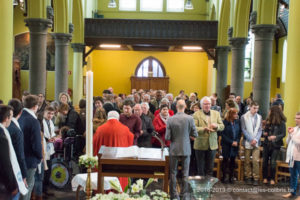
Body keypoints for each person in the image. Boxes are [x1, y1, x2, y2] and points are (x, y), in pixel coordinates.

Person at [93, 111, 134, 190]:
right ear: (118, 118)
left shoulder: (100, 129)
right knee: (119, 185)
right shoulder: (125, 129)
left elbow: (94, 143)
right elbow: (130, 139)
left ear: (107, 118)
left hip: (104, 164)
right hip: (119, 164)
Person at [165, 99, 198, 200]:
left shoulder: (170, 119)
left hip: (174, 148)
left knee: (173, 173)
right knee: (185, 173)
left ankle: (174, 195)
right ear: (185, 107)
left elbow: (167, 137)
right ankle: (184, 195)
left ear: (176, 107)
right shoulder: (190, 118)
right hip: (186, 148)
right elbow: (195, 134)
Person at [19, 95, 43, 200]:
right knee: (27, 188)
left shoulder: (19, 117)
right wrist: (39, 156)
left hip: (19, 157)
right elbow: (36, 144)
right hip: (30, 159)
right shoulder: (33, 121)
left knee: (22, 187)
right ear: (35, 106)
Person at [193, 96, 224, 177]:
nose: (207, 106)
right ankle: (201, 187)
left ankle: (208, 186)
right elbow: (194, 128)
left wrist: (216, 126)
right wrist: (204, 129)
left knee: (210, 168)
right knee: (201, 168)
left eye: (209, 104)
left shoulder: (216, 113)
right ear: (201, 105)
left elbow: (222, 126)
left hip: (212, 144)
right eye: (205, 104)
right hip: (200, 144)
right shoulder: (196, 114)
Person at [0, 105, 26, 200]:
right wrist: (12, 186)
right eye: (11, 117)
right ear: (7, 118)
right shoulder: (2, 136)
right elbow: (5, 163)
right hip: (4, 184)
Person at [262, 105, 286, 185]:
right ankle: (265, 177)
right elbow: (265, 132)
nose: (269, 112)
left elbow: (283, 134)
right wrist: (265, 134)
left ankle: (272, 178)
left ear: (274, 112)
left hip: (276, 145)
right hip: (266, 144)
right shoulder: (268, 121)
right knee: (265, 161)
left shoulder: (282, 123)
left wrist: (275, 137)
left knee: (272, 162)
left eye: (270, 111)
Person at [240, 101, 262, 186]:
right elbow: (243, 129)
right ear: (250, 107)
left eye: (257, 108)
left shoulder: (259, 117)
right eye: (254, 108)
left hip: (256, 142)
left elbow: (260, 130)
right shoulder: (244, 117)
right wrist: (250, 139)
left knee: (255, 160)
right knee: (247, 160)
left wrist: (256, 139)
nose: (256, 110)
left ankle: (255, 177)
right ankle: (248, 176)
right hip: (247, 142)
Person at [7, 99, 27, 187]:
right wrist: (24, 174)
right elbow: (20, 154)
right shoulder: (16, 130)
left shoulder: (5, 125)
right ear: (20, 112)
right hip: (13, 168)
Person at [221, 108, 241, 184]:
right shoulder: (225, 122)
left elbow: (239, 133)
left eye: (237, 113)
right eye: (235, 113)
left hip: (235, 145)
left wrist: (237, 141)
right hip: (226, 144)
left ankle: (231, 177)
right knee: (225, 160)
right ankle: (224, 177)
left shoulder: (237, 122)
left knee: (233, 161)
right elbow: (223, 134)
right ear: (231, 114)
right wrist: (231, 142)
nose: (236, 115)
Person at [283, 112, 300, 199]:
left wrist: (292, 134)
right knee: (293, 175)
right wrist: (289, 133)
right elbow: (287, 142)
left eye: (298, 118)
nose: (296, 120)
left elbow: (298, 142)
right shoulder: (295, 129)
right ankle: (292, 192)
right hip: (292, 157)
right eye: (295, 118)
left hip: (299, 157)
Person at [41, 106, 56, 197]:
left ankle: (46, 189)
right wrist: (47, 140)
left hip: (49, 149)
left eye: (52, 114)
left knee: (48, 171)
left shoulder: (50, 122)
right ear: (44, 113)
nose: (50, 115)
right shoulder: (41, 122)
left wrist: (53, 137)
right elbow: (41, 136)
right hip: (43, 148)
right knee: (43, 172)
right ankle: (41, 191)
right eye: (48, 113)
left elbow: (52, 133)